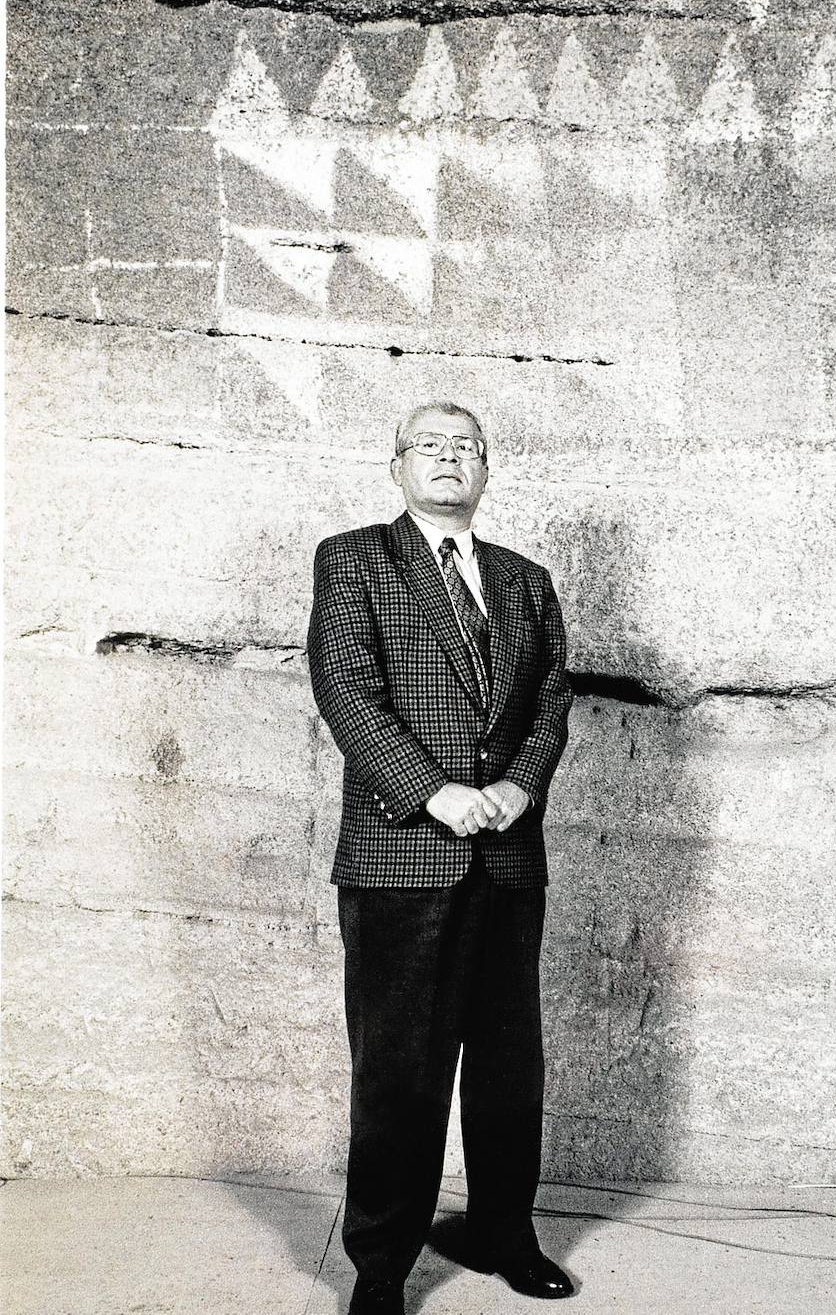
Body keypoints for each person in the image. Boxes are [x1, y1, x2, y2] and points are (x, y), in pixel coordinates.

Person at [306, 402, 575, 1315]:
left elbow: (550, 704)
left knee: (509, 1068)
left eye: (467, 447)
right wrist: (434, 791)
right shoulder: (351, 560)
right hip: (398, 857)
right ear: (397, 467)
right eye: (431, 444)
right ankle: (380, 1265)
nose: (450, 457)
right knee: (399, 1072)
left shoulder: (527, 581)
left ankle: (504, 1231)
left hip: (506, 861)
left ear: (488, 472)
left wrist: (520, 787)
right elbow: (347, 693)